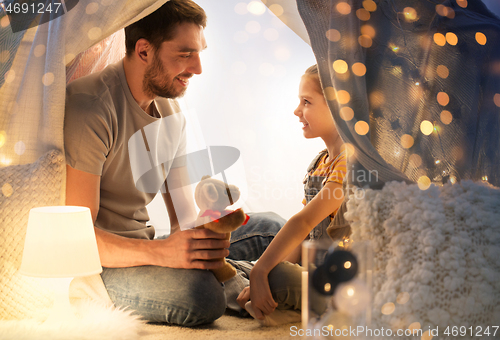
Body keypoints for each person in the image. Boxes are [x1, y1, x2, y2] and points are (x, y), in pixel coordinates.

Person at [64, 0, 285, 327]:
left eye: (199, 53)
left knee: (272, 227)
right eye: (185, 54)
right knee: (203, 296)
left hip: (148, 247)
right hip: (101, 265)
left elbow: (183, 220)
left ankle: (253, 273)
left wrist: (211, 223)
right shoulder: (91, 108)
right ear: (143, 51)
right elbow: (76, 237)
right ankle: (253, 275)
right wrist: (163, 253)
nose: (197, 68)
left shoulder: (170, 111)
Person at [237, 65, 347, 323]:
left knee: (272, 276)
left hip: (340, 289)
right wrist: (263, 270)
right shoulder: (320, 162)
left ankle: (251, 295)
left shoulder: (352, 164)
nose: (297, 111)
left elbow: (303, 221)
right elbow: (304, 237)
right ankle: (251, 291)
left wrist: (262, 272)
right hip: (312, 273)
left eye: (306, 102)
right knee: (250, 269)